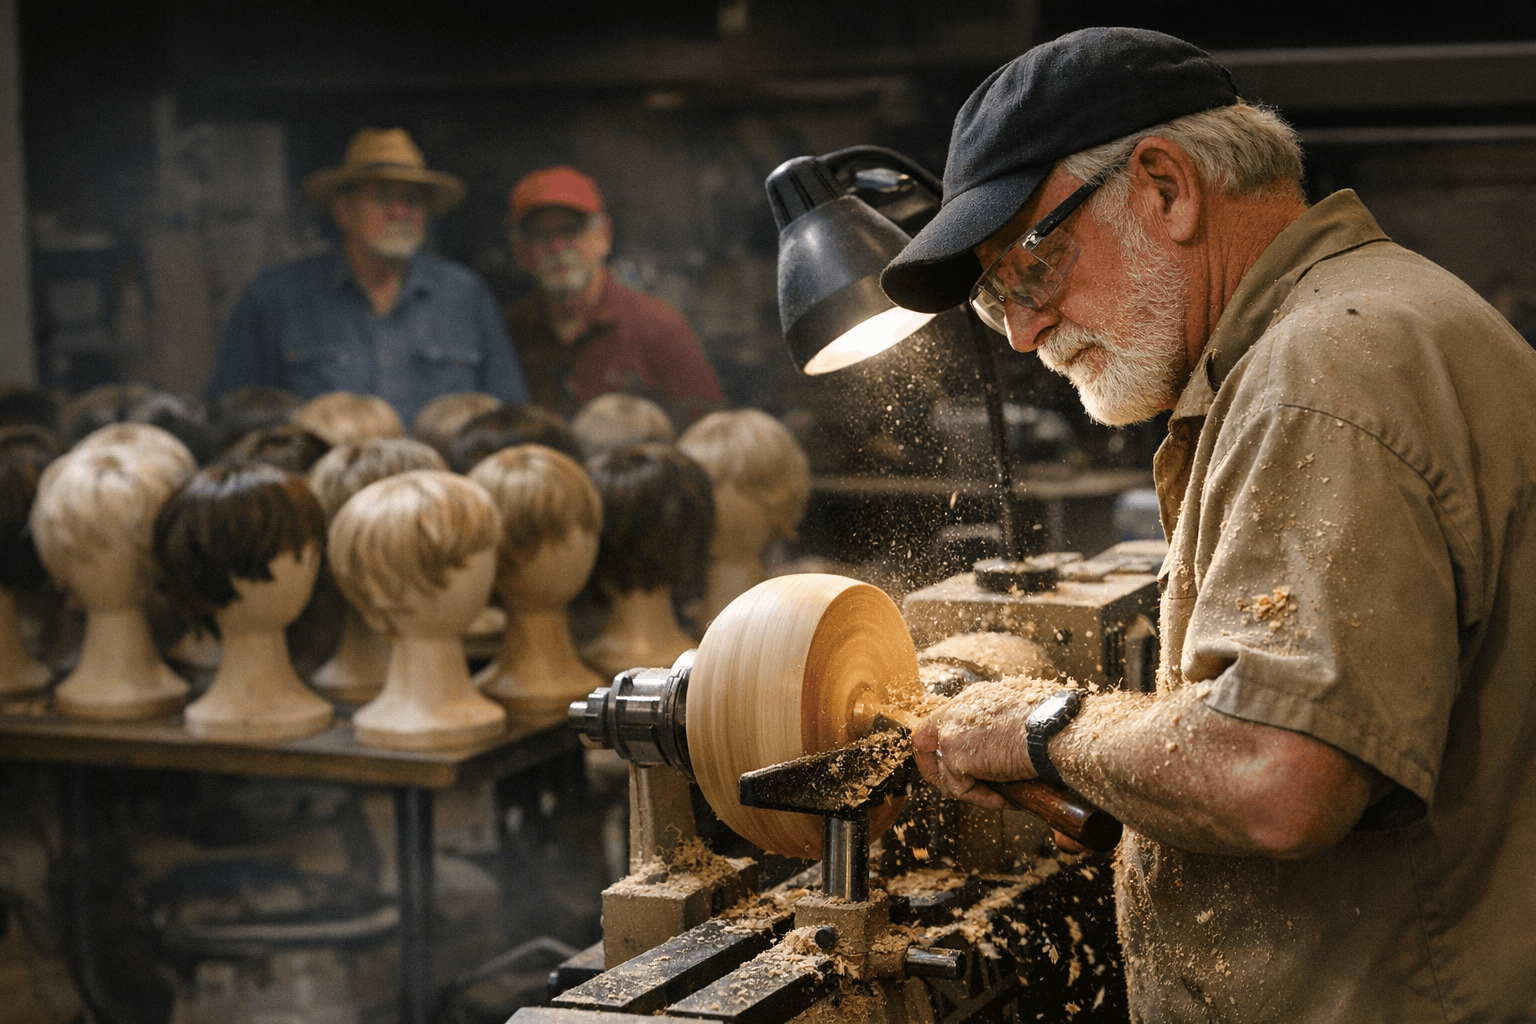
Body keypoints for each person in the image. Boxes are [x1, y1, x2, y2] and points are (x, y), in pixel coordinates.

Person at [879, 26, 1536, 1023]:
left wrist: (1040, 730)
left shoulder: (1322, 369)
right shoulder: (1367, 321)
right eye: (990, 300)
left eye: (1028, 269)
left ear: (1164, 189)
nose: (1021, 331)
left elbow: (1280, 775)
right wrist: (1116, 783)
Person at [206, 128, 530, 426]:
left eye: (412, 200)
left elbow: (510, 416)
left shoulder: (465, 295)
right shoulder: (276, 297)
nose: (400, 212)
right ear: (343, 211)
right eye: (383, 198)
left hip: (442, 471)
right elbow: (232, 418)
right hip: (320, 470)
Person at [504, 165, 724, 428]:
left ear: (604, 235)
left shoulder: (658, 327)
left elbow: (708, 430)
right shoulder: (508, 330)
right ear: (519, 249)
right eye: (541, 234)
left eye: (572, 230)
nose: (557, 247)